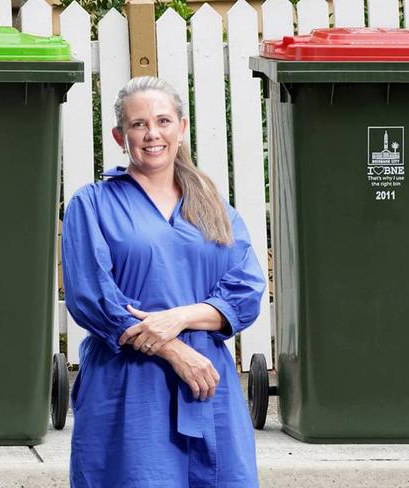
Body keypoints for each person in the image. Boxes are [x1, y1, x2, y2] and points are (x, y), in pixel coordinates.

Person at [62, 76, 266, 488]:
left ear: (182, 127)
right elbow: (93, 297)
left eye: (163, 120)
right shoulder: (93, 203)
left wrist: (178, 319)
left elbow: (245, 291)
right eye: (138, 125)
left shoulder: (212, 207)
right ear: (121, 136)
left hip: (208, 384)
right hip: (130, 387)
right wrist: (172, 350)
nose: (152, 134)